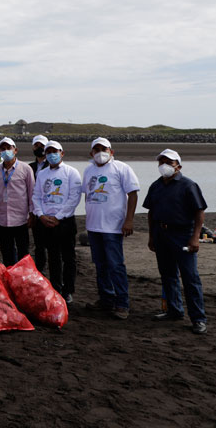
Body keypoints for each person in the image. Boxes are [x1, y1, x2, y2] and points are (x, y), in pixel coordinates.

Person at [143, 149, 208, 334]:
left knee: (190, 278)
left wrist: (195, 237)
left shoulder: (188, 185)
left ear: (178, 166)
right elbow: (150, 212)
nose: (164, 165)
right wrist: (151, 236)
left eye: (168, 162)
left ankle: (198, 318)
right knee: (167, 275)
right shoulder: (156, 186)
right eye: (161, 162)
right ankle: (174, 310)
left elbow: (199, 212)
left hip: (182, 235)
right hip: (161, 233)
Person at [82, 137, 139, 320]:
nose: (100, 152)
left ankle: (122, 303)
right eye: (96, 149)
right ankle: (106, 299)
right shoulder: (89, 170)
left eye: (104, 149)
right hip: (93, 226)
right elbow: (87, 195)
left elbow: (132, 194)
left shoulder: (122, 168)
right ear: (91, 153)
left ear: (111, 151)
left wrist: (129, 220)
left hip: (113, 227)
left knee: (116, 265)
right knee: (100, 265)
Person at [32, 141, 82, 304]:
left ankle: (68, 291)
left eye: (55, 151)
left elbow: (74, 198)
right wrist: (40, 215)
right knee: (53, 256)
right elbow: (37, 196)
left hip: (65, 222)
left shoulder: (72, 172)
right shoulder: (42, 174)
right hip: (46, 221)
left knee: (68, 257)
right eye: (49, 152)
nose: (52, 155)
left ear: (62, 153)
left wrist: (58, 217)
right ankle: (55, 288)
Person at [0, 137, 35, 266]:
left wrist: (32, 214)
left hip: (21, 218)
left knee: (23, 252)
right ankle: (10, 276)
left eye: (9, 148)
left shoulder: (26, 169)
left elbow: (32, 192)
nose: (6, 151)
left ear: (15, 150)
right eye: (3, 149)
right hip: (3, 218)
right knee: (6, 251)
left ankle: (23, 277)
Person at [27, 134, 50, 272]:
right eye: (37, 145)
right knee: (39, 243)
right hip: (35, 210)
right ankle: (40, 270)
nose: (39, 148)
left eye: (42, 145)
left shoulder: (52, 165)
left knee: (53, 244)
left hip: (51, 210)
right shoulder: (29, 167)